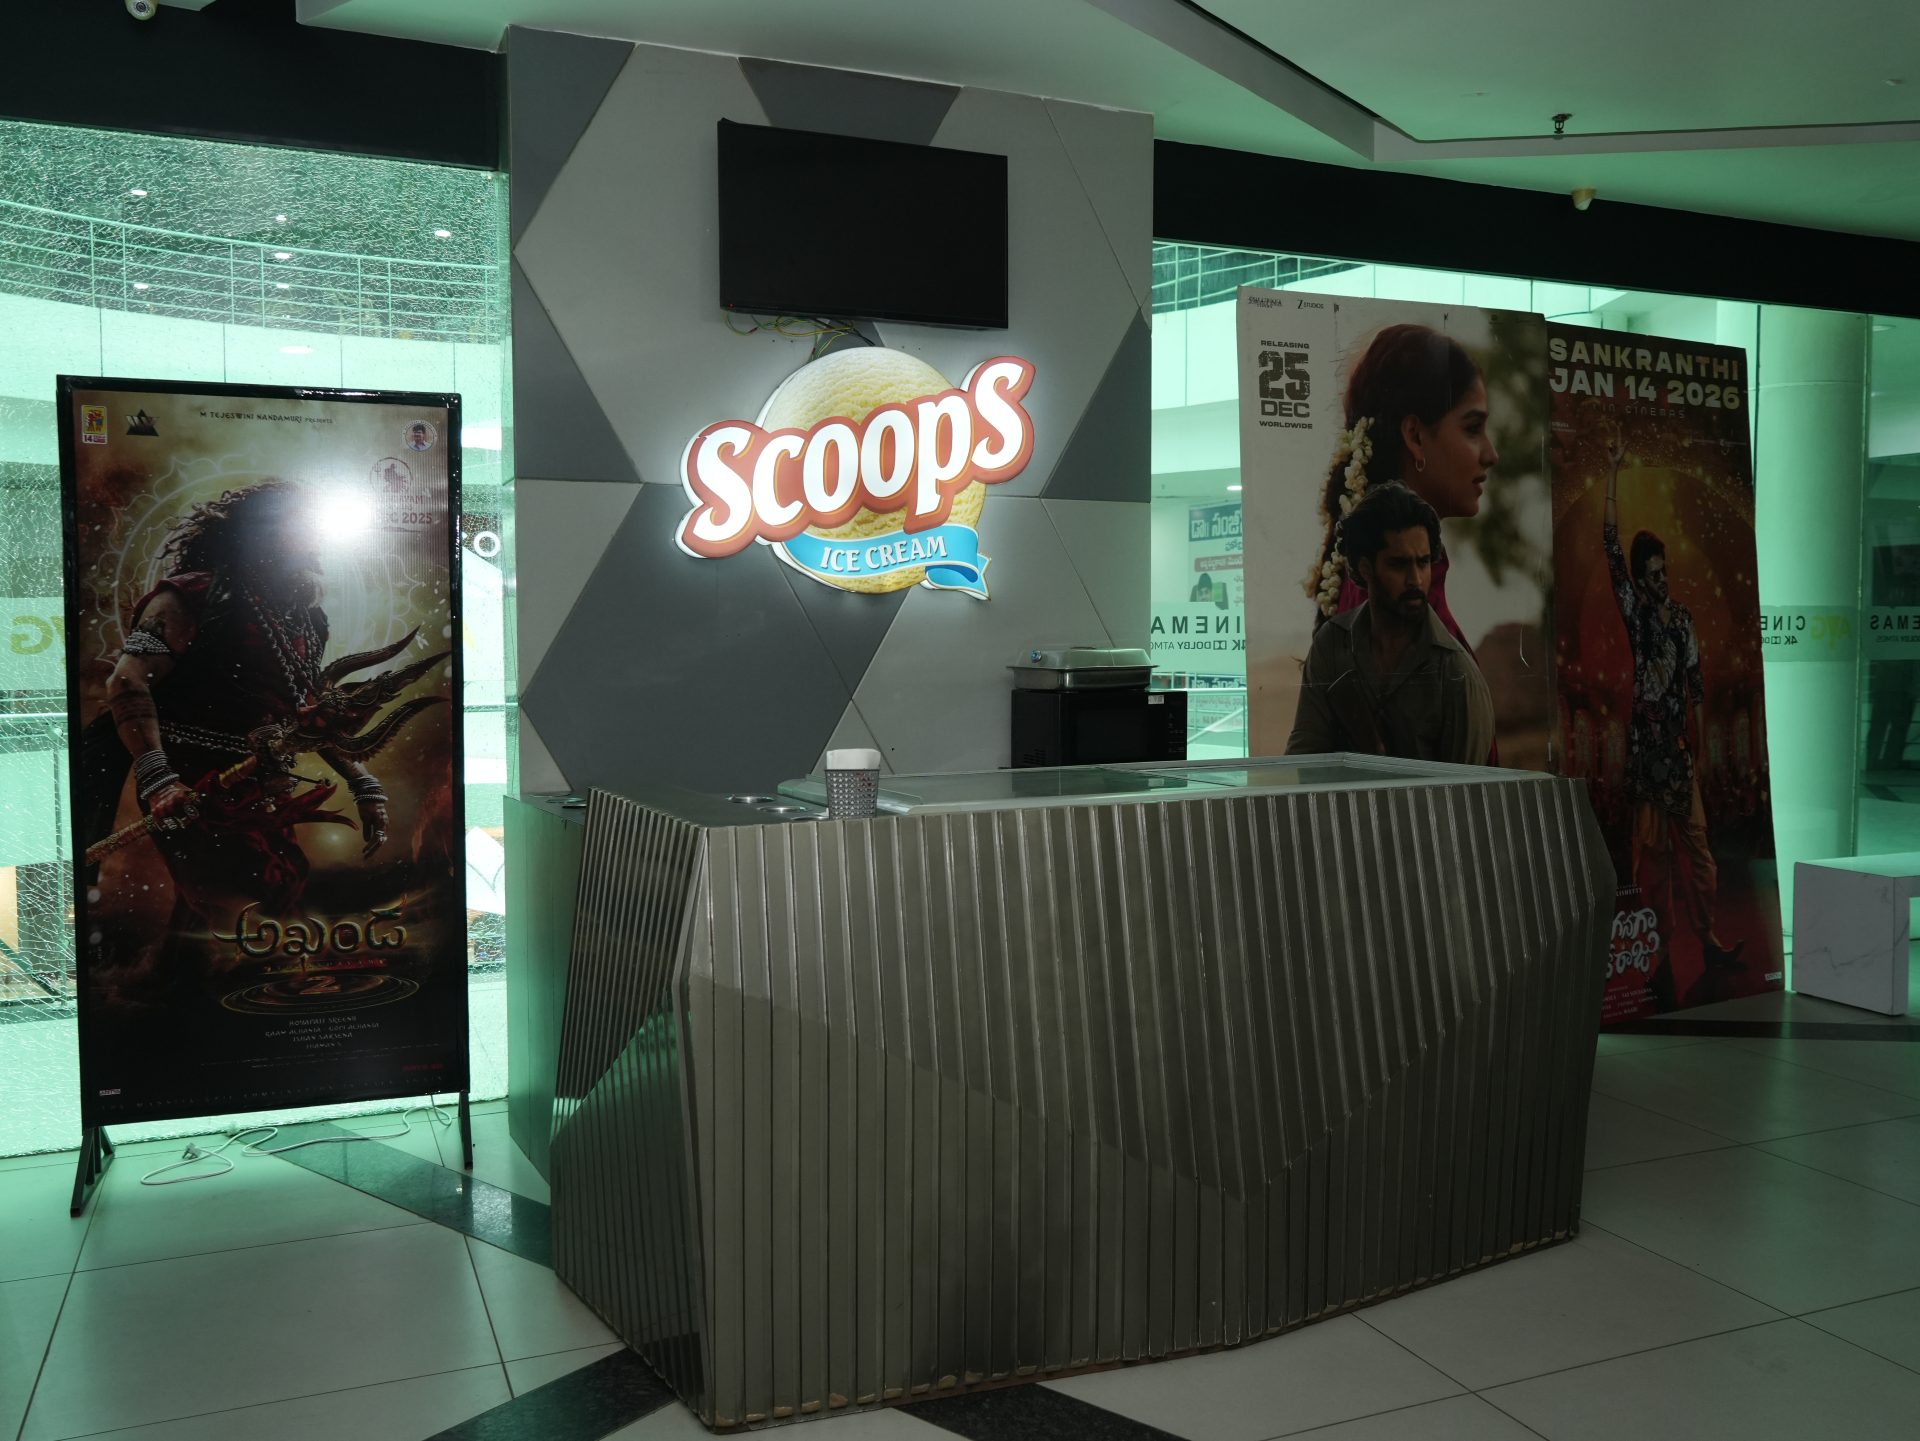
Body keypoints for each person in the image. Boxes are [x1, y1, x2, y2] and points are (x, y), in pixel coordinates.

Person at [85, 481, 393, 935]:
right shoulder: (192, 596)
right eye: (297, 526)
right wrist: (160, 780)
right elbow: (128, 681)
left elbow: (307, 713)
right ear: (258, 532)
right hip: (194, 787)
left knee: (248, 909)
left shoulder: (307, 618)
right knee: (248, 905)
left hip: (263, 789)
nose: (311, 539)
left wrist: (362, 781)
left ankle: (178, 977)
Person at [1603, 434, 1745, 976]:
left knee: (1700, 854)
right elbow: (1610, 547)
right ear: (1641, 580)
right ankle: (1661, 951)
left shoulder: (1683, 619)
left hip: (1680, 756)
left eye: (1666, 571)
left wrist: (1700, 743)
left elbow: (1696, 682)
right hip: (1647, 756)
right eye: (1655, 574)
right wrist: (1613, 474)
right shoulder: (1635, 613)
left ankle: (1708, 938)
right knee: (1655, 861)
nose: (1663, 580)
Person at [1288, 483, 1493, 763]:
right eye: (1399, 564)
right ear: (1365, 568)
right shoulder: (1332, 645)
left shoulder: (1455, 674)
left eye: (1423, 563)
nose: (1415, 580)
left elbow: (1467, 787)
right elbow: (1304, 760)